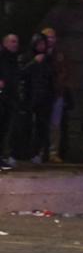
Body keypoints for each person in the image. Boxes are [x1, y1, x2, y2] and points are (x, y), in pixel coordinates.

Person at [18, 34, 54, 163]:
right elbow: (21, 74)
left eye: (43, 44)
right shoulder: (26, 58)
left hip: (44, 97)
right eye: (38, 44)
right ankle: (23, 153)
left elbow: (50, 78)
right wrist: (34, 63)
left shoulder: (48, 59)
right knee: (26, 125)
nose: (41, 47)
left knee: (41, 126)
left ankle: (36, 153)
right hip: (29, 96)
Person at [40, 27, 69, 162]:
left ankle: (53, 152)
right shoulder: (38, 54)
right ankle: (40, 151)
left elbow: (64, 72)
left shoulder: (59, 55)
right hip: (42, 94)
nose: (51, 40)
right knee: (40, 123)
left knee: (55, 124)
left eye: (53, 37)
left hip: (56, 93)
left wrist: (59, 86)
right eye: (48, 37)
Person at [0, 33, 19, 170]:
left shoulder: (13, 59)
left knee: (4, 128)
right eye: (12, 41)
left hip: (9, 97)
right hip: (2, 96)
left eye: (16, 41)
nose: (15, 44)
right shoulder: (2, 57)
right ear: (5, 43)